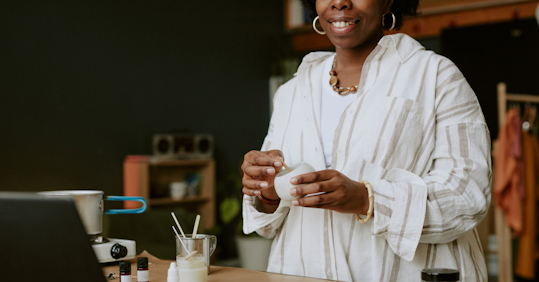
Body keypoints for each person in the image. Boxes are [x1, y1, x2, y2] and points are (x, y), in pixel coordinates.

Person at [241, 0, 491, 281]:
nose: (339, 1)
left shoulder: (437, 77)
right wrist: (266, 190)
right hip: (300, 272)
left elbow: (468, 196)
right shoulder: (292, 91)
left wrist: (367, 199)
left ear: (389, 2)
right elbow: (267, 220)